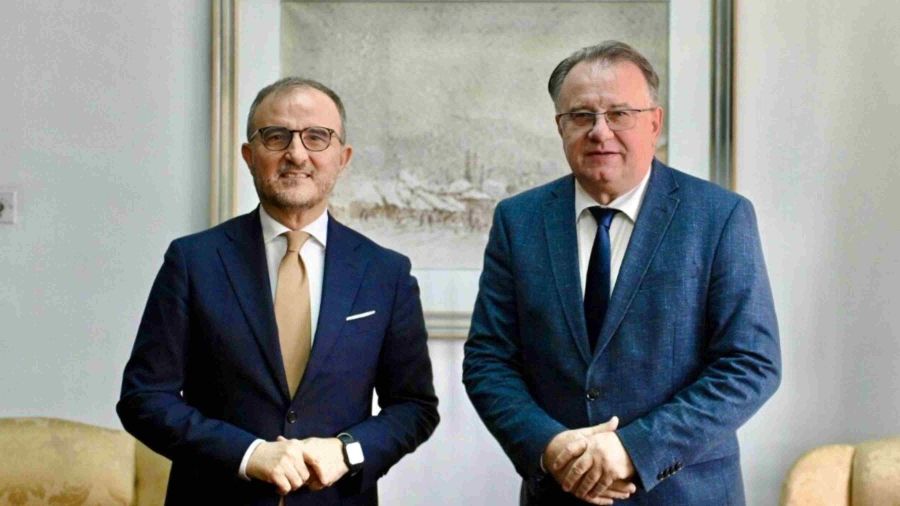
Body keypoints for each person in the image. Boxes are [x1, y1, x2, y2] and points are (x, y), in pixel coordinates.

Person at [462, 41, 780, 505]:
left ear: (654, 122)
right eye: (581, 116)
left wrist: (634, 448)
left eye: (619, 114)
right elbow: (488, 360)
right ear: (560, 127)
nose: (600, 131)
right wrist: (549, 447)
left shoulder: (719, 217)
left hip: (684, 495)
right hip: (558, 493)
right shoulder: (519, 220)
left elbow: (751, 364)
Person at [118, 77, 439, 505]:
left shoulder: (386, 273)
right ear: (249, 156)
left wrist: (347, 452)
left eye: (316, 137)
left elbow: (414, 407)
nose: (297, 154)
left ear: (343, 158)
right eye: (276, 136)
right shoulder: (193, 261)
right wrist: (248, 454)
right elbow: (144, 399)